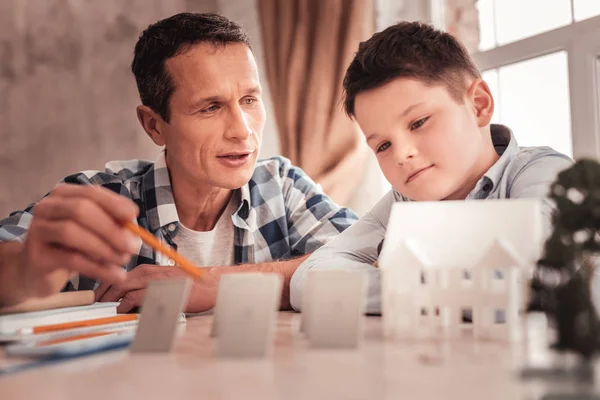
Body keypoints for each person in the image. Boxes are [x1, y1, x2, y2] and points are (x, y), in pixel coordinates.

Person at [0, 13, 357, 312]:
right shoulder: (99, 197)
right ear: (155, 125)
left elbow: (374, 261)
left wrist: (213, 285)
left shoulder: (281, 185)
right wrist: (27, 268)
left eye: (249, 100)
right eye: (211, 107)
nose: (242, 130)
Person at [290, 21, 573, 314]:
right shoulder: (403, 201)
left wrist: (399, 280)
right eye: (383, 146)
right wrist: (453, 289)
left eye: (418, 122)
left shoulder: (546, 173)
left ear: (478, 104)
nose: (401, 154)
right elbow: (307, 282)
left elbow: (537, 278)